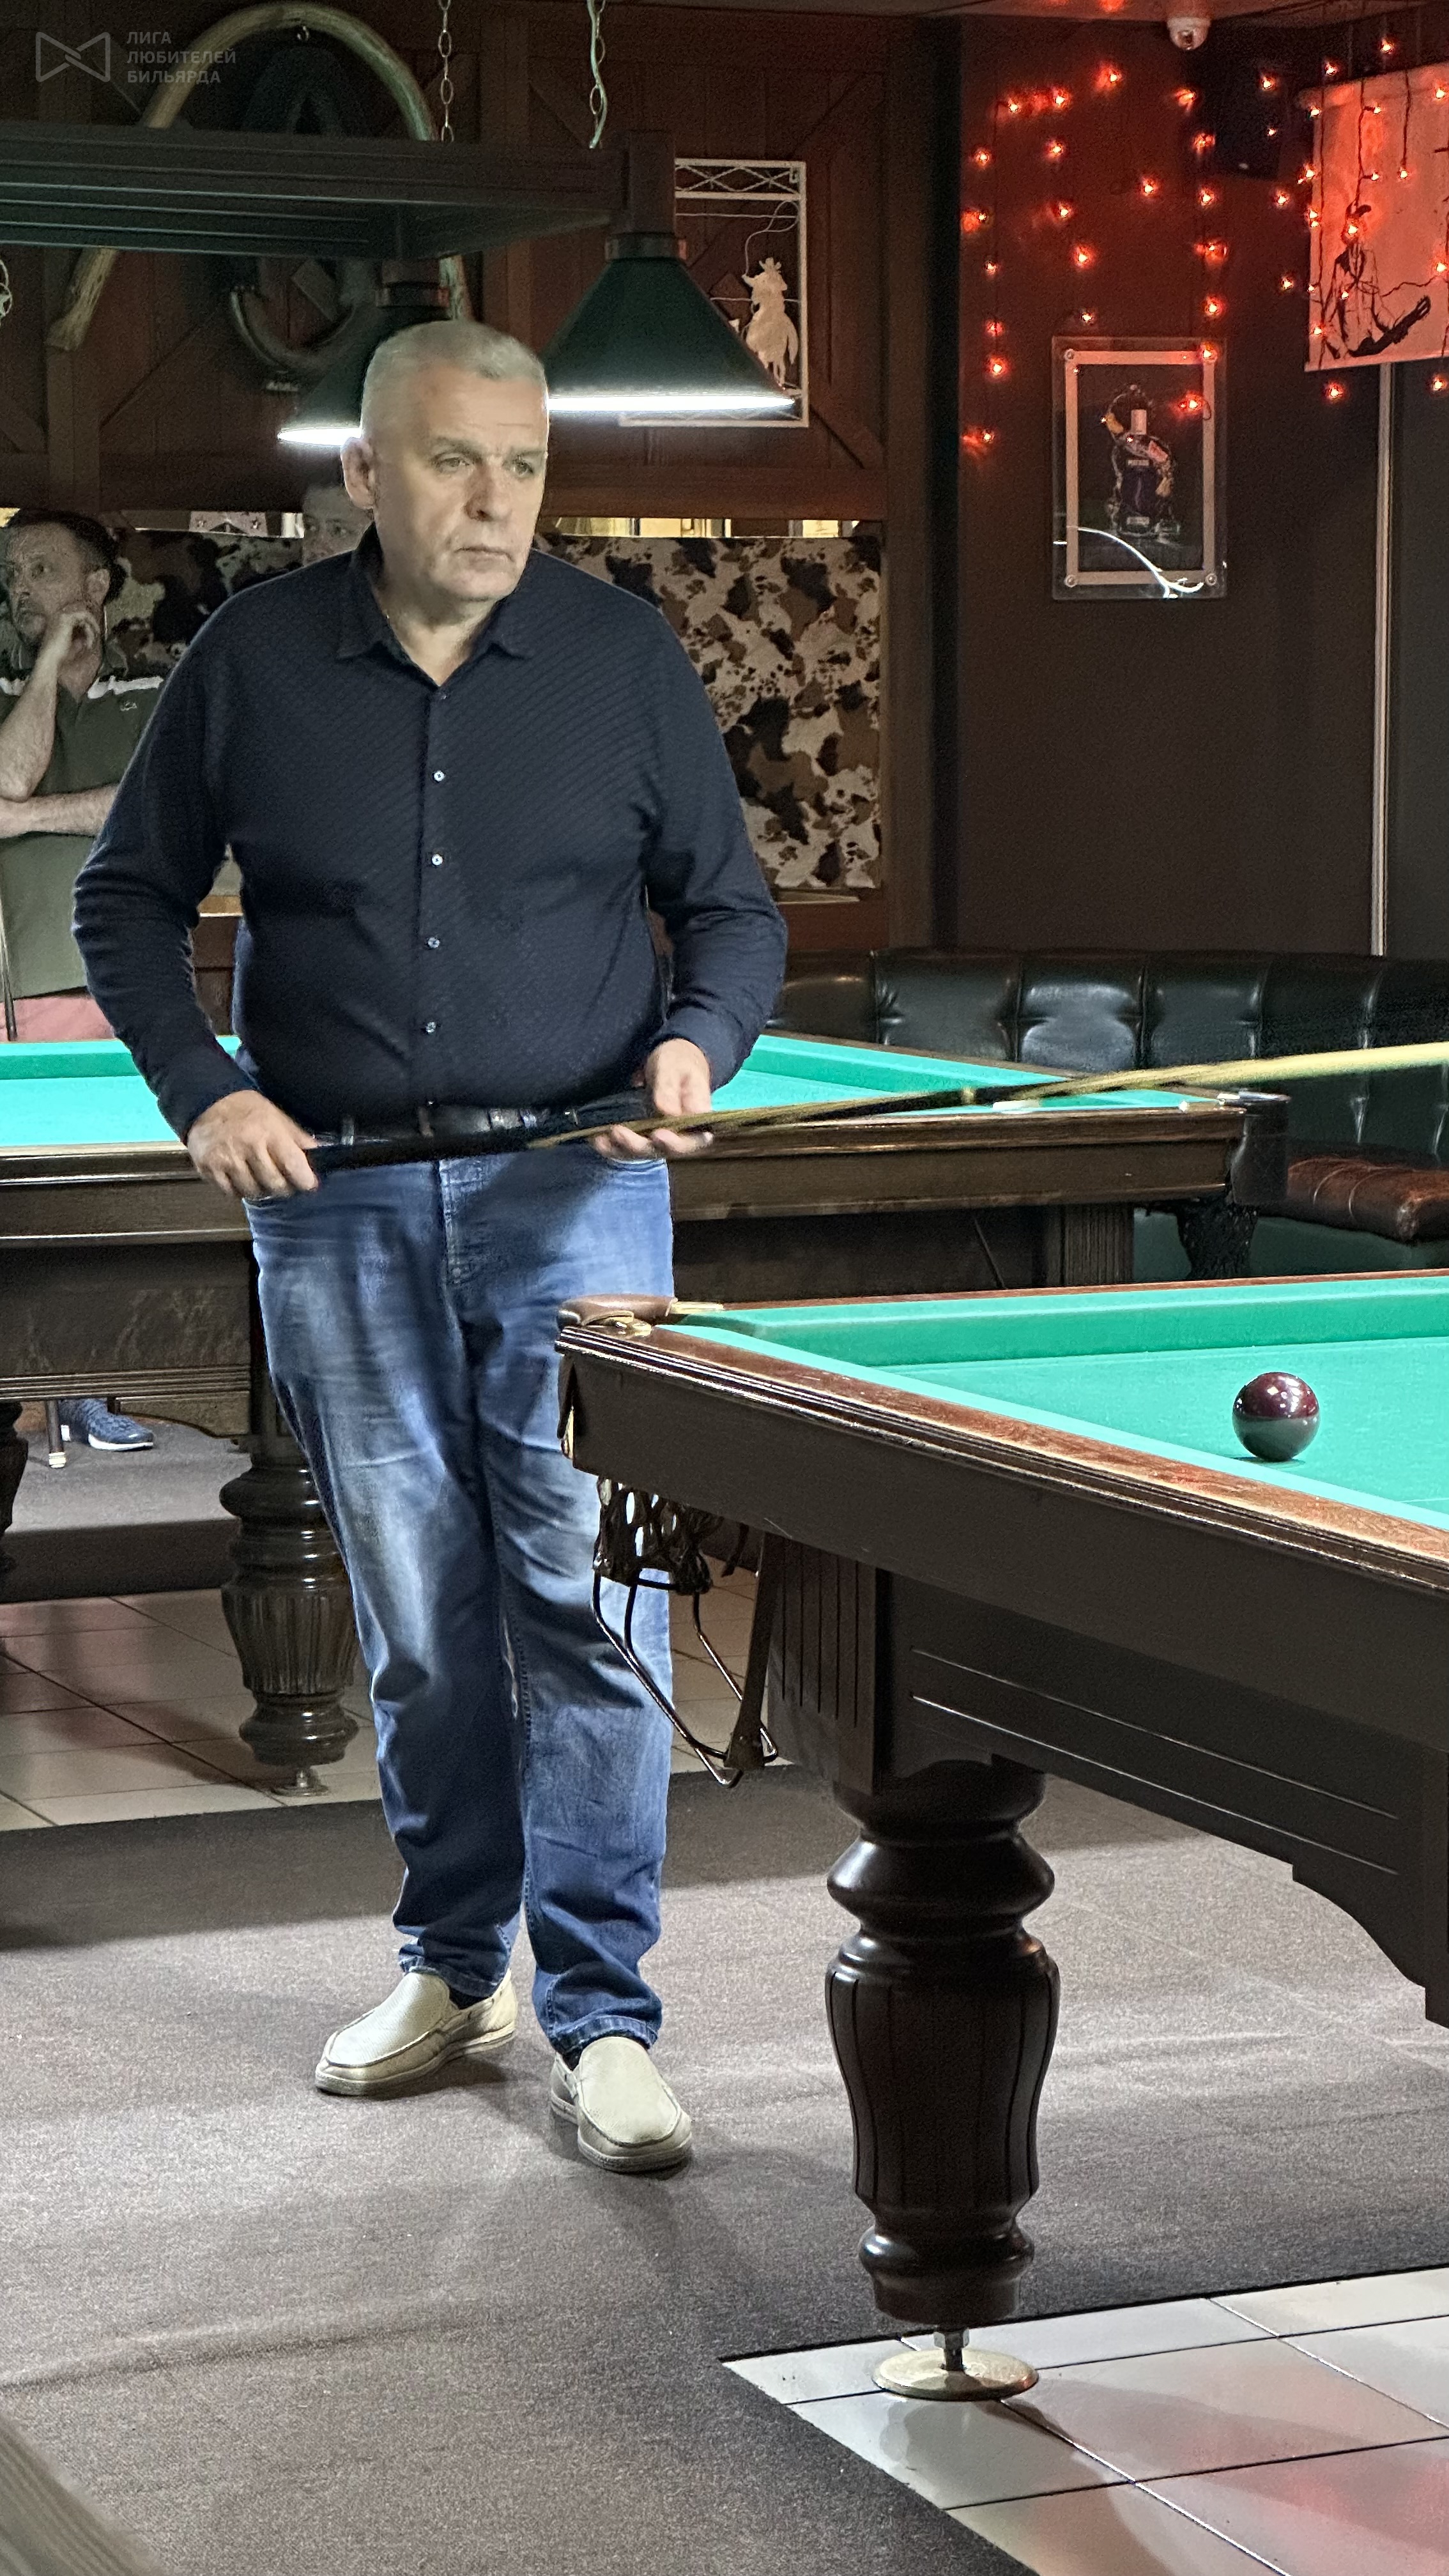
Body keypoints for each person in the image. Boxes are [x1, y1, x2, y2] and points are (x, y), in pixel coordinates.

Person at [74, 319, 786, 2172]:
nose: (495, 501)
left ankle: (605, 2016)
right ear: (365, 474)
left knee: (587, 1605)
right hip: (341, 1205)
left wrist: (695, 1050)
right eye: (456, 461)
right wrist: (203, 1089)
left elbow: (729, 915)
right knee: (419, 1619)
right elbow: (124, 898)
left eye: (524, 464)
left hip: (579, 1193)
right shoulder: (252, 659)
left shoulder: (622, 663)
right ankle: (457, 1966)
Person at [0, 509, 162, 1454]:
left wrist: (24, 820)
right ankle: (35, 1384)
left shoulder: (155, 694)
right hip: (23, 983)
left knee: (118, 1198)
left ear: (98, 585)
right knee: (29, 1203)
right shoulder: (7, 697)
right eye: (13, 574)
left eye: (42, 569)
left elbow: (148, 809)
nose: (21, 586)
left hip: (134, 981)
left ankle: (98, 1382)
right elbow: (7, 776)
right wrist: (45, 672)